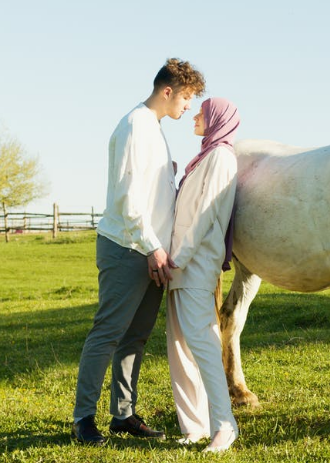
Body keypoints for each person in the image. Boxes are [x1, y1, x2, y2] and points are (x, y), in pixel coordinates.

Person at [71, 58, 206, 446]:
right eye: (186, 97)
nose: (188, 106)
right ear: (167, 91)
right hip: (128, 248)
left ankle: (123, 415)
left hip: (153, 252)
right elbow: (129, 199)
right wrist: (151, 248)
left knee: (136, 338)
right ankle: (83, 419)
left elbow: (152, 194)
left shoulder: (155, 129)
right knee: (108, 332)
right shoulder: (134, 125)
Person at [166, 97, 240, 452]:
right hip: (179, 264)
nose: (194, 116)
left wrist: (177, 257)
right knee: (179, 346)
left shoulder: (222, 157)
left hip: (195, 262)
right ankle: (195, 426)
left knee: (204, 345)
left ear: (215, 120)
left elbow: (206, 214)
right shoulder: (203, 158)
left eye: (202, 112)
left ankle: (225, 425)